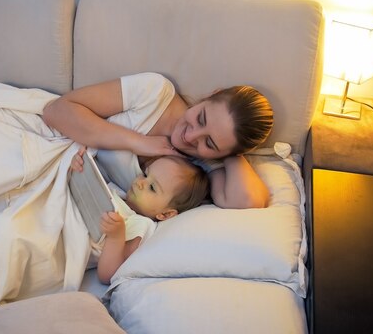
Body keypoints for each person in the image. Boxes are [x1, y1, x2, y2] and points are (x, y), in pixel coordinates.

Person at [43, 72, 274, 209]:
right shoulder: (155, 92)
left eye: (210, 143)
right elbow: (56, 111)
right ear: (210, 95)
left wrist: (231, 153)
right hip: (47, 146)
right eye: (201, 118)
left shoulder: (201, 165)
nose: (191, 136)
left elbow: (248, 201)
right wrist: (137, 142)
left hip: (76, 195)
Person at [71, 148, 209, 284]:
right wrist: (77, 169)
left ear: (166, 214)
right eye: (145, 174)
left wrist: (115, 237)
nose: (140, 182)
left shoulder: (141, 224)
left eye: (152, 188)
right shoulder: (117, 192)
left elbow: (107, 275)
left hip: (70, 243)